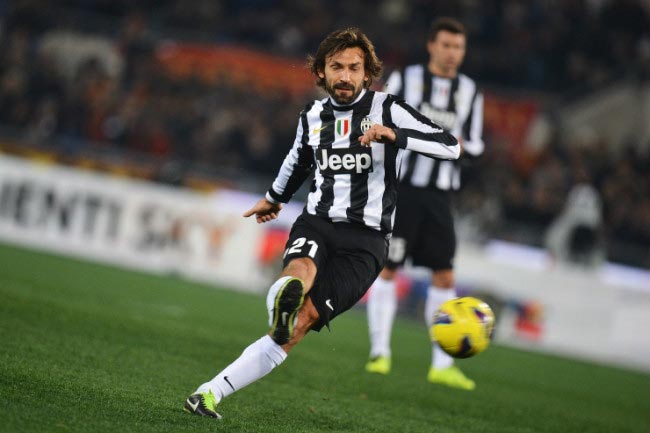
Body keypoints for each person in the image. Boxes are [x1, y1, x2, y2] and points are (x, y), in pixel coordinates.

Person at [183, 27, 460, 419]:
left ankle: (217, 385)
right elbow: (297, 160)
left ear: (368, 73)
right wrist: (275, 197)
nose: (345, 76)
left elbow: (450, 146)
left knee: (304, 320)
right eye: (336, 67)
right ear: (321, 72)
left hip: (367, 242)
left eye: (353, 68)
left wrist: (394, 135)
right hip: (318, 222)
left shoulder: (387, 108)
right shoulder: (312, 116)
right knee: (299, 273)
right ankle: (212, 388)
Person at [364, 17, 484, 390]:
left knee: (444, 274)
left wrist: (458, 145)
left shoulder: (470, 90)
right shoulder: (406, 79)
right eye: (446, 45)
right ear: (432, 46)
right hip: (403, 190)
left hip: (439, 195)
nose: (452, 54)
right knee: (389, 268)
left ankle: (442, 363)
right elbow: (379, 118)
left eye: (458, 47)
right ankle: (380, 352)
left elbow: (476, 144)